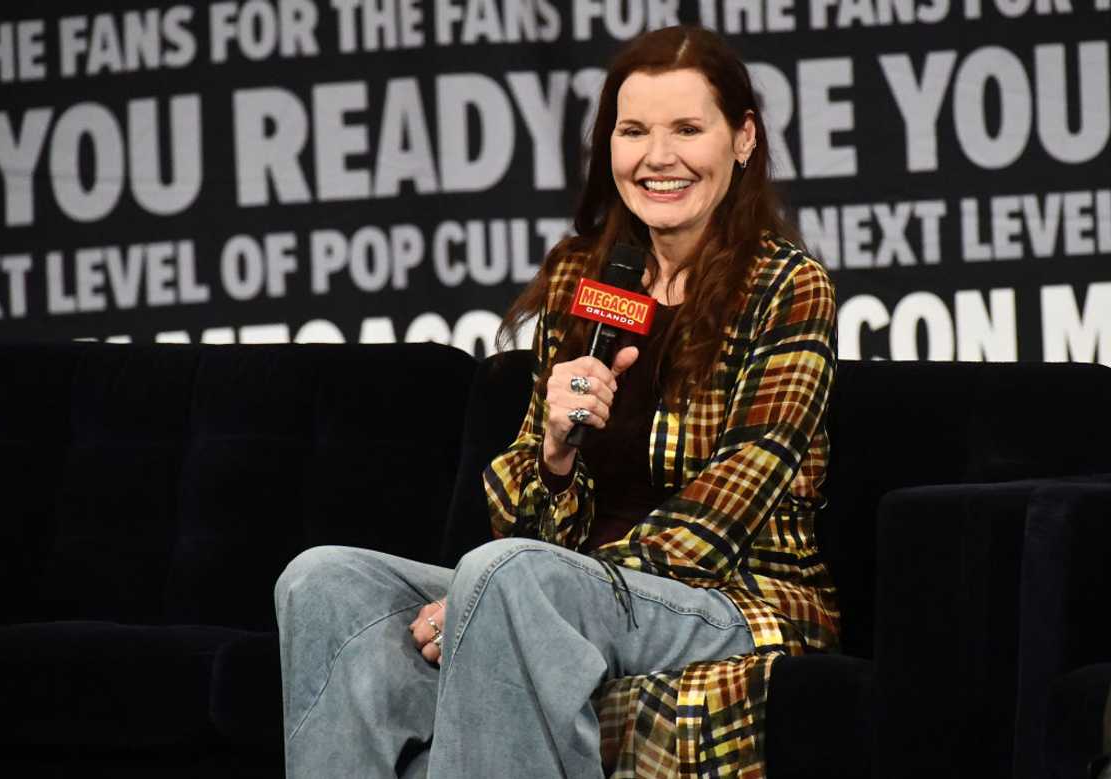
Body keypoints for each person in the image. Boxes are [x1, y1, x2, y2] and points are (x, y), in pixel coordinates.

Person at [275, 24, 838, 778]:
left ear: (741, 139)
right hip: (559, 587)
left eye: (686, 129)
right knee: (322, 580)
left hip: (735, 598)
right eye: (633, 129)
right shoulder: (588, 275)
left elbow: (729, 506)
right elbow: (524, 522)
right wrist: (555, 451)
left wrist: (524, 595)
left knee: (507, 577)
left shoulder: (787, 287)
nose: (657, 157)